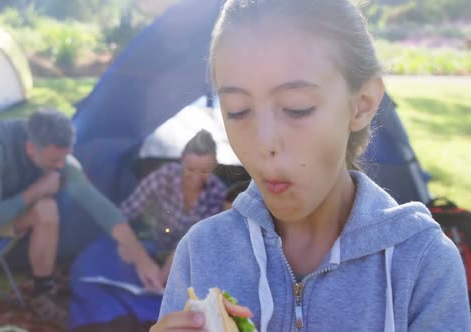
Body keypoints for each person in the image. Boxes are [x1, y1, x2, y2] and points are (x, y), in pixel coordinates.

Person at [152, 1, 471, 331]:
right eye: (237, 110)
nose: (264, 143)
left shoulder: (422, 263)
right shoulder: (202, 252)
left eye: (296, 108)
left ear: (362, 104)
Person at [0, 108, 162, 332]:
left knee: (46, 209)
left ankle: (43, 292)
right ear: (32, 148)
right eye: (54, 160)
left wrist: (141, 260)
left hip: (1, 211)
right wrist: (37, 190)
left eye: (64, 158)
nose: (60, 165)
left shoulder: (60, 160)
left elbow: (102, 209)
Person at [120, 129, 227, 284]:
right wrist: (138, 256)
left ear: (213, 167)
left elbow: (196, 240)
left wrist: (162, 279)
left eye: (204, 171)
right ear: (181, 159)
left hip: (192, 259)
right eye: (190, 169)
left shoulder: (217, 192)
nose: (196, 178)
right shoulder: (164, 176)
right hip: (155, 246)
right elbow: (126, 212)